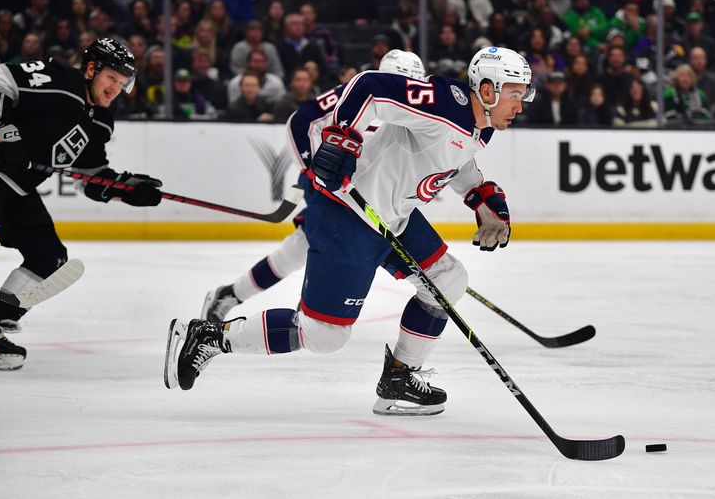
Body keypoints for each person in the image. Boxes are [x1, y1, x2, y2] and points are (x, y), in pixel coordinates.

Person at [165, 46, 534, 418]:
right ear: (487, 90)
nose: (520, 106)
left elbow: (459, 160)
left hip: (393, 217)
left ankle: (399, 379)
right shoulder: (445, 102)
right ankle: (209, 337)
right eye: (515, 94)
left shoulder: (481, 129)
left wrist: (482, 197)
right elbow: (369, 86)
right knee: (324, 335)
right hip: (349, 213)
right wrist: (344, 136)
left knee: (449, 277)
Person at [200, 49, 427, 325]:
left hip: (363, 199)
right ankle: (238, 296)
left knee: (298, 248)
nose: (407, 91)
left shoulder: (418, 112)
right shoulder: (357, 93)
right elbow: (301, 121)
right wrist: (315, 172)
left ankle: (232, 295)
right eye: (402, 83)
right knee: (302, 248)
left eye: (414, 85)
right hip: (333, 192)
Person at [0, 38, 163, 370]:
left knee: (49, 256)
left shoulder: (100, 121)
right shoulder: (61, 81)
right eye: (111, 77)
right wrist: (1, 133)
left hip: (15, 188)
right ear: (90, 69)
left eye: (123, 81)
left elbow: (91, 175)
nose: (116, 87)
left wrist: (127, 190)